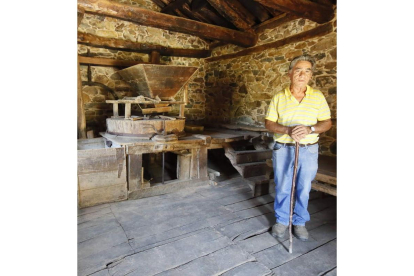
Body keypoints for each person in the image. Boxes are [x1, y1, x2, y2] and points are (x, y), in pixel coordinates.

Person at [265, 55, 332, 241]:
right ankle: (282, 220)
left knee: (303, 187)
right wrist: (288, 129)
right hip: (283, 148)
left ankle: (300, 222)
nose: (302, 75)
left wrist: (310, 129)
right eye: (298, 70)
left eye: (307, 71)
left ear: (311, 75)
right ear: (290, 73)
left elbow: (326, 123)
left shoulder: (317, 97)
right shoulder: (279, 97)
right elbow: (269, 123)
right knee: (283, 185)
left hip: (308, 149)